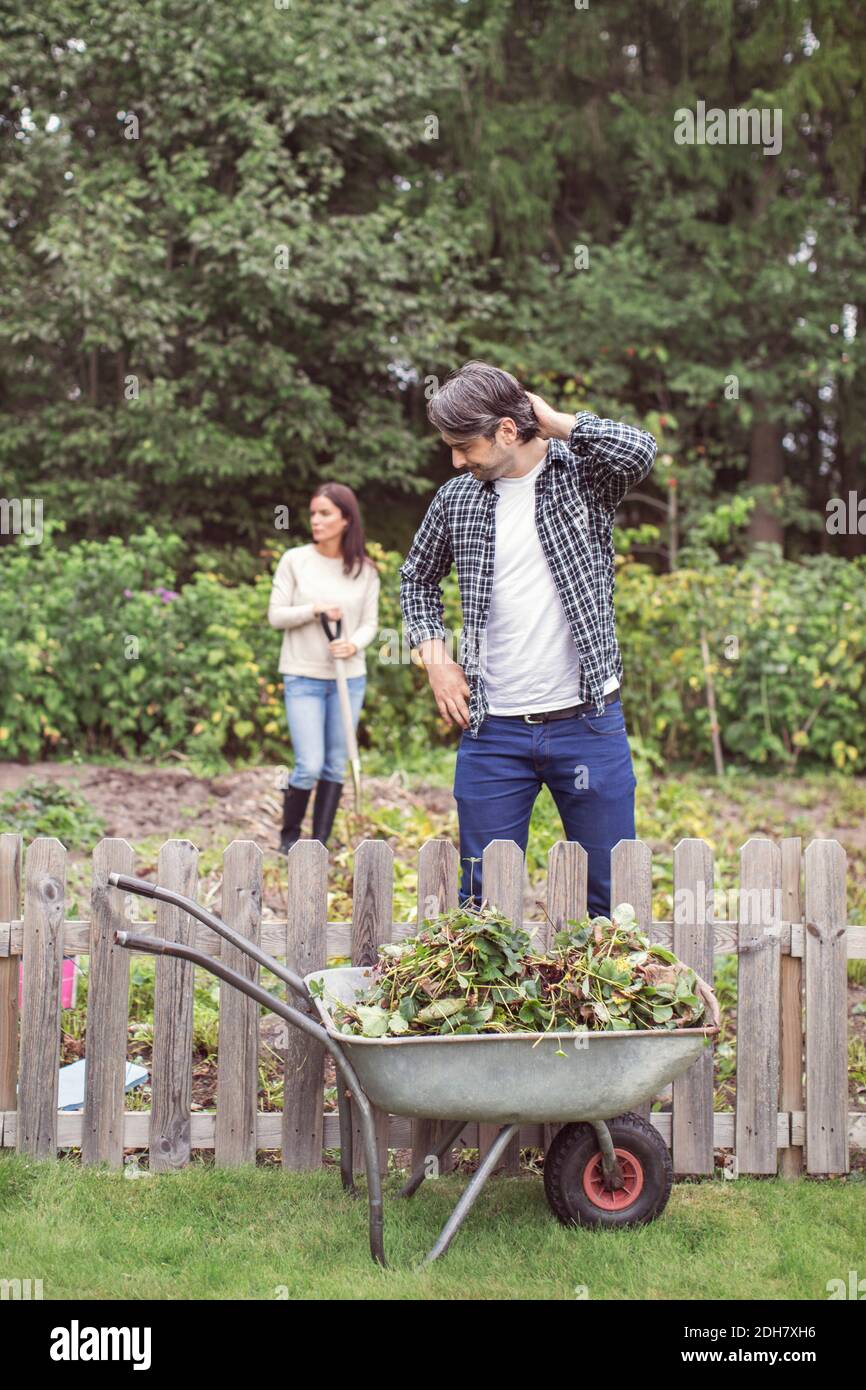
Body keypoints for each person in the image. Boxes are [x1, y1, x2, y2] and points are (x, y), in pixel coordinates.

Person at [399, 360, 656, 918]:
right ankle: (495, 1007)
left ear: (507, 431)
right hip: (493, 732)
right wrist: (437, 659)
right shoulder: (456, 498)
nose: (456, 459)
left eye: (464, 445)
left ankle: (600, 1006)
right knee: (484, 907)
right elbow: (416, 579)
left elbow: (639, 449)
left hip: (588, 723)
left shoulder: (583, 475)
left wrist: (559, 421)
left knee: (612, 901)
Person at [268, 483, 380, 852]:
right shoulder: (295, 560)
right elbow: (276, 616)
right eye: (313, 513)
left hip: (348, 678)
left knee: (334, 765)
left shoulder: (364, 571)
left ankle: (318, 844)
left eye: (325, 513)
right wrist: (313, 609)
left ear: (346, 520)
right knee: (309, 764)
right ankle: (288, 839)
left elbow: (369, 623)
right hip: (303, 676)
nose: (316, 520)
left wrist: (354, 644)